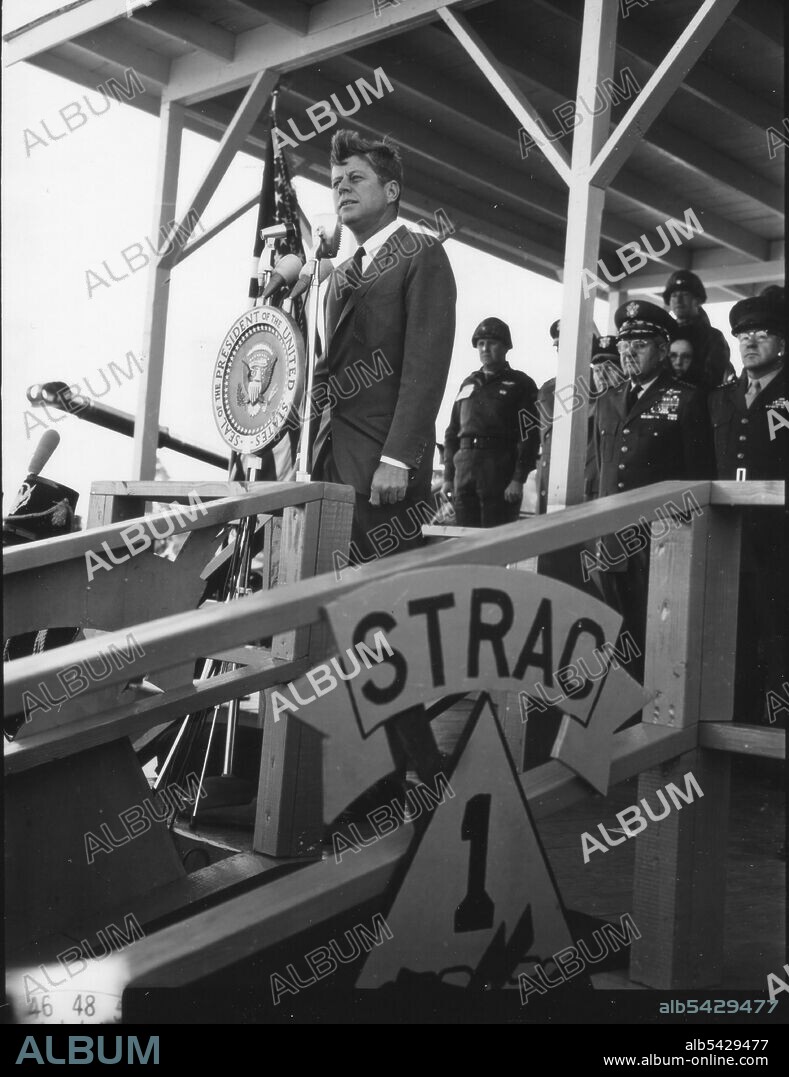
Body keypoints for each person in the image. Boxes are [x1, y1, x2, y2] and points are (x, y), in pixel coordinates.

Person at [311, 129, 457, 562]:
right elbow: (325, 369)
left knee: (377, 609)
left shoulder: (421, 254)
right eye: (336, 183)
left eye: (355, 179)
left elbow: (425, 370)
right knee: (325, 604)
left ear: (392, 190)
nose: (342, 190)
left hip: (383, 472)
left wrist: (398, 458)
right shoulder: (336, 278)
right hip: (329, 465)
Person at [592, 300, 714, 667]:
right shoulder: (608, 401)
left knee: (658, 640)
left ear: (663, 350)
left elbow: (698, 476)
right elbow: (603, 468)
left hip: (660, 540)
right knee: (615, 635)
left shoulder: (688, 400)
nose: (628, 351)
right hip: (613, 539)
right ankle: (623, 716)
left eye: (640, 344)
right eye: (625, 344)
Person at [708, 293, 787, 725]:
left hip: (779, 536)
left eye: (761, 334)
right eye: (742, 335)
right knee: (733, 635)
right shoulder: (721, 398)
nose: (749, 342)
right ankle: (737, 734)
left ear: (783, 343)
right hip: (730, 537)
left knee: (779, 636)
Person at [441, 318, 538, 527]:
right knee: (465, 542)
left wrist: (518, 480)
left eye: (492, 343)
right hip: (464, 471)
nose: (485, 348)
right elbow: (452, 433)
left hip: (499, 473)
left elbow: (529, 435)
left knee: (495, 543)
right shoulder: (468, 383)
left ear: (505, 347)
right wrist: (448, 476)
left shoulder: (521, 384)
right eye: (481, 343)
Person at [662, 269, 735, 388]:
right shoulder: (664, 334)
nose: (678, 300)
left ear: (697, 300)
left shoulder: (712, 337)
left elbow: (713, 379)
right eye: (674, 295)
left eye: (685, 295)